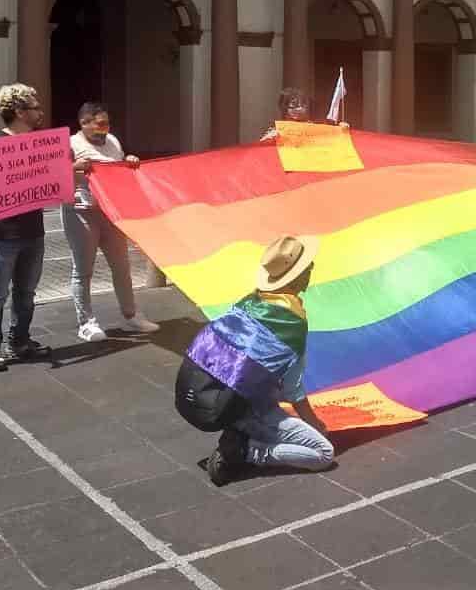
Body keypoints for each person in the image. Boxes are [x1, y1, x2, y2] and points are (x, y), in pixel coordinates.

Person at [178, 235, 335, 484]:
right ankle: (246, 451)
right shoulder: (290, 324)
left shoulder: (248, 303)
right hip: (246, 407)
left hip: (207, 395)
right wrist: (315, 424)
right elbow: (292, 391)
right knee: (323, 453)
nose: (312, 270)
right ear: (299, 275)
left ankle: (241, 433)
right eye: (308, 267)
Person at [0, 84, 51, 372]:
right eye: (35, 107)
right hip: (2, 235)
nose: (40, 111)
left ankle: (20, 341)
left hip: (33, 231)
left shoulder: (40, 145)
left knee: (26, 293)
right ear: (19, 111)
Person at [64, 102, 158, 342]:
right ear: (84, 124)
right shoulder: (70, 144)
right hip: (82, 212)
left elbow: (119, 168)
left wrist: (130, 159)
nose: (105, 129)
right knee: (83, 270)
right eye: (99, 124)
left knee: (121, 266)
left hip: (110, 212)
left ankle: (131, 316)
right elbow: (51, 175)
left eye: (107, 123)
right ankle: (86, 323)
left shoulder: (113, 141)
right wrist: (73, 167)